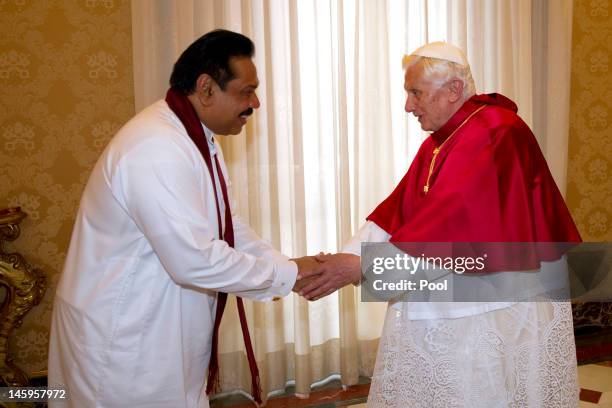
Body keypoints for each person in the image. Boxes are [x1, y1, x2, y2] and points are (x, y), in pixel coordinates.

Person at [298, 42, 582, 407]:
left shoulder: (495, 131)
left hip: (491, 299)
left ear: (453, 90)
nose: (408, 106)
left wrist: (361, 267)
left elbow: (455, 225)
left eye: (415, 93)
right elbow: (398, 212)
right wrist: (344, 259)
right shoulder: (442, 140)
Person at [48, 29, 319, 408]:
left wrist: (286, 267)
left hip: (161, 332)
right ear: (206, 88)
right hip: (125, 343)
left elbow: (227, 225)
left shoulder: (195, 137)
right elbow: (194, 259)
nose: (255, 103)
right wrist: (289, 275)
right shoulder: (155, 146)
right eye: (246, 91)